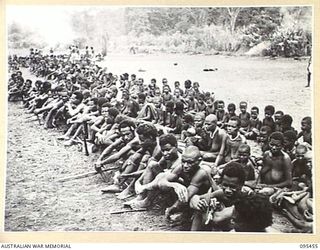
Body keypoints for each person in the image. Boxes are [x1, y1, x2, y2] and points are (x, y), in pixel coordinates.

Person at [124, 134, 181, 208]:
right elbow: (151, 169)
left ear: (176, 146)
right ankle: (141, 197)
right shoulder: (167, 157)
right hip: (163, 181)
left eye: (168, 150)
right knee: (152, 164)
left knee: (160, 174)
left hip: (176, 188)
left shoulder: (180, 161)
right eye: (163, 150)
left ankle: (147, 201)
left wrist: (144, 187)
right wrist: (135, 178)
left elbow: (163, 177)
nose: (165, 153)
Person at [189, 162, 246, 231]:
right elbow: (196, 199)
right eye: (225, 185)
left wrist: (213, 210)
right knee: (199, 207)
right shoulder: (221, 193)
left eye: (232, 187)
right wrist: (195, 200)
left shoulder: (246, 200)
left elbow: (217, 218)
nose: (228, 190)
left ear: (241, 185)